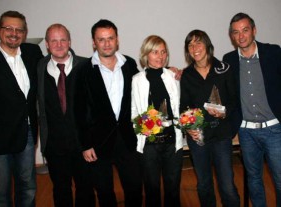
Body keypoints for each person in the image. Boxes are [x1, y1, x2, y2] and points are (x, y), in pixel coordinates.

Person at [74, 19, 142, 207]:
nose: (106, 43)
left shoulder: (129, 64)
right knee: (104, 192)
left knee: (135, 188)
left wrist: (171, 72)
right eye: (101, 39)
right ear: (93, 42)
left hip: (128, 139)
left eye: (110, 38)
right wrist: (85, 144)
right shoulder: (83, 70)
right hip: (98, 142)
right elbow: (79, 110)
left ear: (117, 39)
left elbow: (143, 87)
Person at [0, 11, 43, 206]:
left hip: (27, 132)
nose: (14, 33)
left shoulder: (33, 53)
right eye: (9, 28)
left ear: (24, 33)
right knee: (1, 188)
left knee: (28, 185)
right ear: (0, 30)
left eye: (19, 29)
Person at [223, 12, 281, 207]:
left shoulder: (273, 52)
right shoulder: (228, 60)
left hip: (274, 130)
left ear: (254, 30)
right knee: (254, 181)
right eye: (236, 32)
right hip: (246, 132)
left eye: (245, 30)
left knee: (280, 181)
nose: (241, 36)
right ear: (231, 36)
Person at [37, 23, 95, 207]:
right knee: (60, 190)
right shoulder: (39, 67)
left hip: (83, 144)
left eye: (63, 40)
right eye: (54, 40)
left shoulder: (87, 66)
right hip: (54, 146)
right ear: (47, 44)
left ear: (69, 42)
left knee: (85, 189)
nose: (59, 44)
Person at [180, 30, 240, 207]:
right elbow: (184, 107)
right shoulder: (187, 75)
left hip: (221, 136)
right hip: (199, 138)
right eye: (190, 44)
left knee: (227, 186)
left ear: (207, 45)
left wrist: (224, 112)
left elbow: (234, 101)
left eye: (198, 42)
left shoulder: (224, 69)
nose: (194, 47)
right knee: (204, 185)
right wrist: (187, 126)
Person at [131, 35, 183, 207]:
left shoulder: (173, 77)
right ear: (146, 54)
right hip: (149, 145)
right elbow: (133, 113)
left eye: (163, 52)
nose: (160, 56)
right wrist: (141, 126)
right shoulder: (136, 80)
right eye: (155, 52)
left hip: (172, 142)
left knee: (173, 189)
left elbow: (180, 106)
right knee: (152, 190)